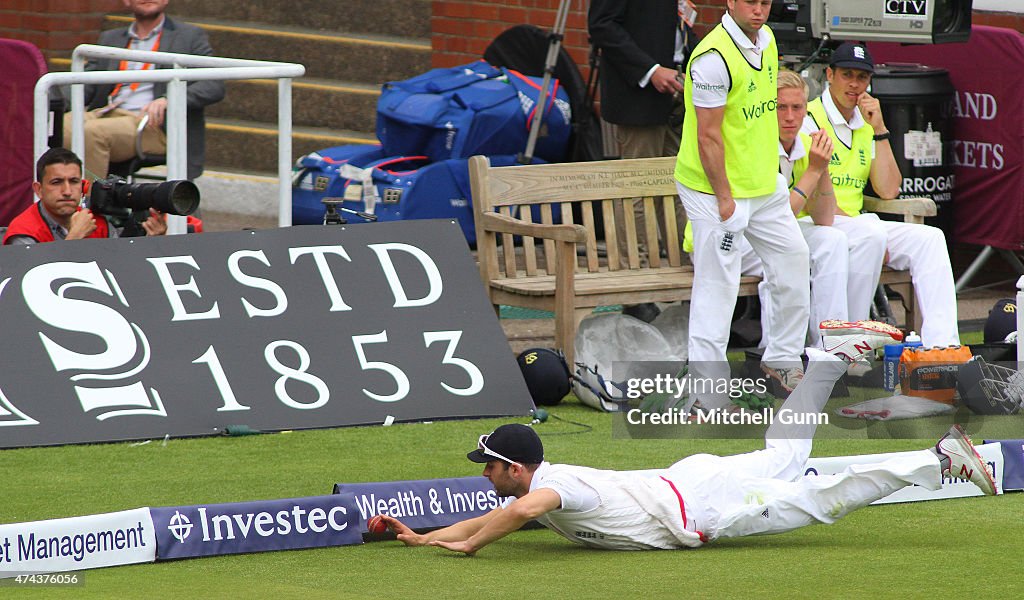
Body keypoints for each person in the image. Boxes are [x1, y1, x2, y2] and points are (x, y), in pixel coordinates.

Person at [375, 320, 996, 553]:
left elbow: (517, 513)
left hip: (702, 508)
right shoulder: (534, 489)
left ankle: (933, 458)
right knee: (787, 452)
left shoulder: (553, 487)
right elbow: (495, 515)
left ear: (516, 469)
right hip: (688, 480)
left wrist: (470, 547)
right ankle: (829, 360)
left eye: (489, 467)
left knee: (819, 497)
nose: (485, 476)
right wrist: (422, 536)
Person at [675, 0, 810, 402]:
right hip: (713, 189)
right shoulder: (712, 58)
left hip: (762, 184)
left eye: (765, 1)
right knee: (717, 285)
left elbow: (756, 117)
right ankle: (707, 392)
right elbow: (708, 136)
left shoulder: (767, 39)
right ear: (731, 1)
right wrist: (725, 200)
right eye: (749, 1)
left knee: (793, 257)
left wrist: (770, 175)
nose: (759, 9)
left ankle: (782, 361)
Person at [804, 42, 959, 347]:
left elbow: (889, 189)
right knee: (870, 234)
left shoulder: (865, 122)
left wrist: (880, 128)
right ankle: (844, 343)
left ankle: (941, 346)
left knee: (930, 239)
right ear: (829, 75)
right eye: (847, 75)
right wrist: (868, 228)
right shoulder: (809, 118)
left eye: (862, 77)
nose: (854, 84)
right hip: (815, 223)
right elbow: (810, 197)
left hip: (858, 225)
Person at [730, 69, 888, 348]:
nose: (790, 116)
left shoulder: (803, 143)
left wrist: (822, 166)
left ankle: (837, 346)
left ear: (805, 110)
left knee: (834, 239)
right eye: (781, 107)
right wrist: (814, 170)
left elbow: (825, 218)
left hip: (771, 235)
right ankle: (786, 353)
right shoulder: (755, 144)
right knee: (792, 252)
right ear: (768, 109)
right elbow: (778, 218)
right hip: (733, 238)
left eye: (797, 107)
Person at [589, 0, 697, 287]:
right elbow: (602, 25)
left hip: (678, 92)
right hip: (638, 94)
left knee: (678, 187)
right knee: (637, 188)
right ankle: (636, 279)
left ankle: (683, 271)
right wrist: (650, 70)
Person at [64, 0, 225, 181]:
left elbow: (214, 83)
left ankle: (90, 203)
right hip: (106, 112)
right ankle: (62, 197)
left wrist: (170, 99)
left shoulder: (189, 36)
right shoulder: (110, 38)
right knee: (59, 126)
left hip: (151, 123)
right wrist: (53, 101)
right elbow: (86, 83)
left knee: (91, 133)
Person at [3, 147, 166, 245]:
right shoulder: (24, 233)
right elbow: (32, 288)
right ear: (39, 190)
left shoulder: (98, 223)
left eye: (73, 181)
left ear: (83, 186)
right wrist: (75, 238)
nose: (67, 191)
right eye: (56, 182)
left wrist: (150, 244)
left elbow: (122, 271)